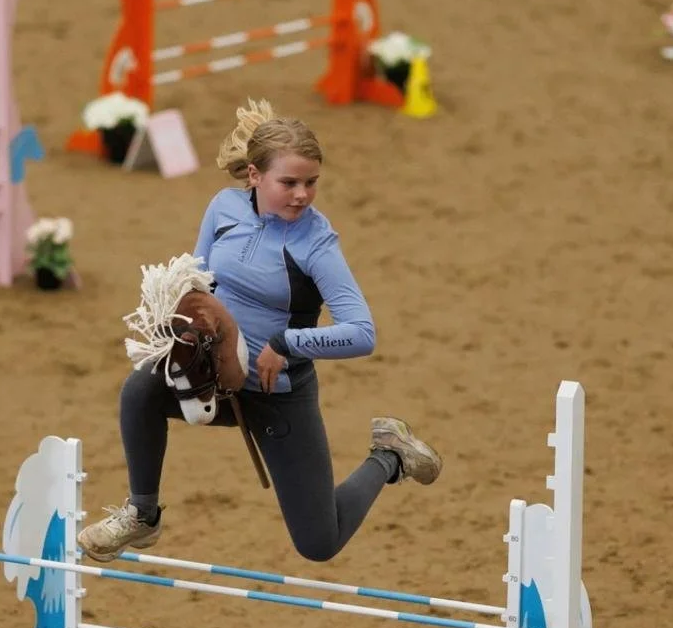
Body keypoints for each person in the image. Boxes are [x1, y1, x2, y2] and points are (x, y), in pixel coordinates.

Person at [78, 98, 442, 564]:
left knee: (319, 543)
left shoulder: (318, 244)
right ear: (254, 176)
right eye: (289, 183)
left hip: (277, 394)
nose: (302, 195)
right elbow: (197, 282)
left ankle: (390, 454)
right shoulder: (223, 208)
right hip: (216, 379)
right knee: (140, 389)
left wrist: (285, 342)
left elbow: (362, 333)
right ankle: (142, 515)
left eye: (311, 182)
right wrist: (187, 331)